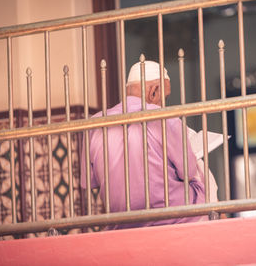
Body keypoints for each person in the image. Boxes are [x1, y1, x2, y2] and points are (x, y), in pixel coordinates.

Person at [80, 60, 207, 229]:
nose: (164, 104)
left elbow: (88, 182)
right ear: (153, 91)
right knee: (201, 171)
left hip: (121, 222)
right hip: (172, 217)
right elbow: (188, 171)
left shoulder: (94, 124)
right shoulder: (165, 118)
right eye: (165, 97)